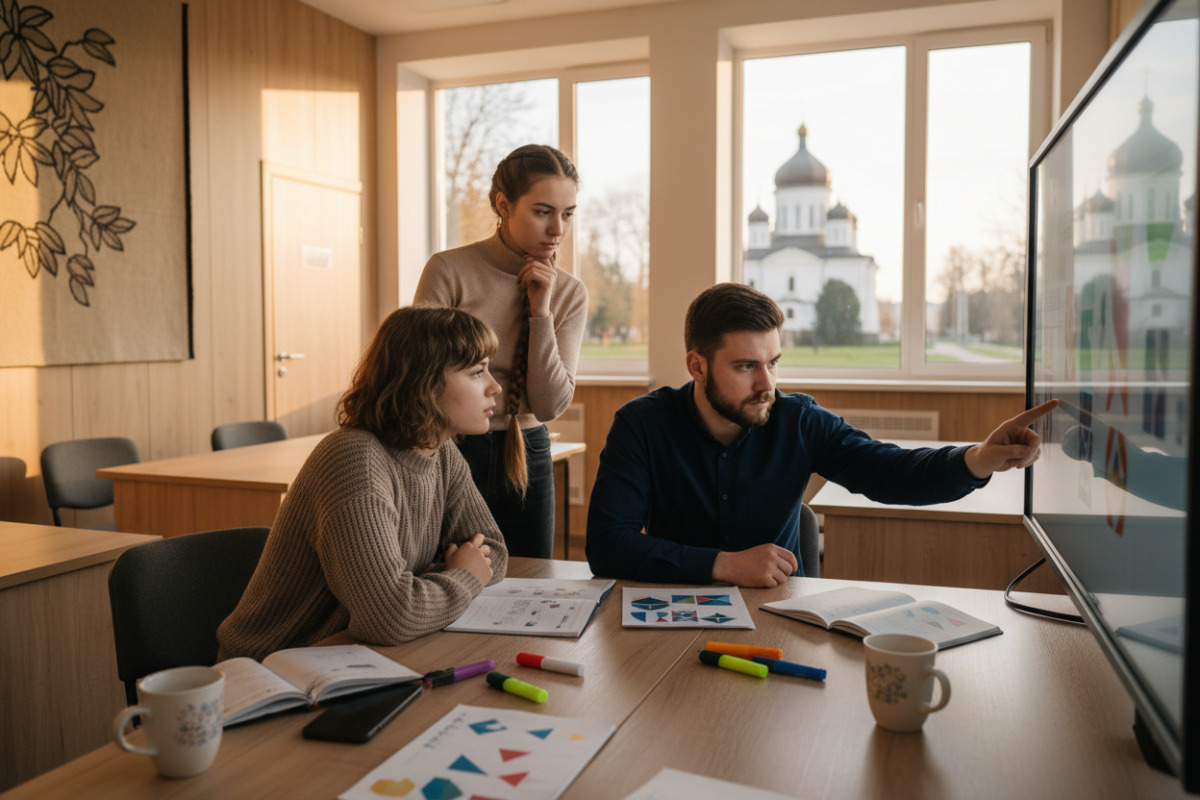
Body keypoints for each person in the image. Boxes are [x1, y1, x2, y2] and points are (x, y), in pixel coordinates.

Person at [585, 282, 1057, 588]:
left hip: (779, 618)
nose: (767, 385)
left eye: (772, 363)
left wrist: (977, 458)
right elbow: (608, 545)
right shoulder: (641, 425)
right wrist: (723, 564)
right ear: (697, 365)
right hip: (674, 617)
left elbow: (890, 471)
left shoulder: (798, 419)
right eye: (746, 366)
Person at [217, 306, 509, 662]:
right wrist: (461, 576)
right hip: (273, 669)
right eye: (478, 372)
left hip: (349, 658)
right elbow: (389, 618)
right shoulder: (355, 461)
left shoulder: (441, 451)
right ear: (425, 383)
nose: (495, 386)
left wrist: (425, 586)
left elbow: (494, 551)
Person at [414, 144, 588, 559]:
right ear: (504, 205)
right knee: (448, 574)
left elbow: (548, 406)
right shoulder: (449, 270)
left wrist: (540, 313)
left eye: (567, 214)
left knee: (531, 584)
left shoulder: (569, 292)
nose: (557, 229)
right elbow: (418, 377)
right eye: (543, 211)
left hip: (527, 449)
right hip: (446, 449)